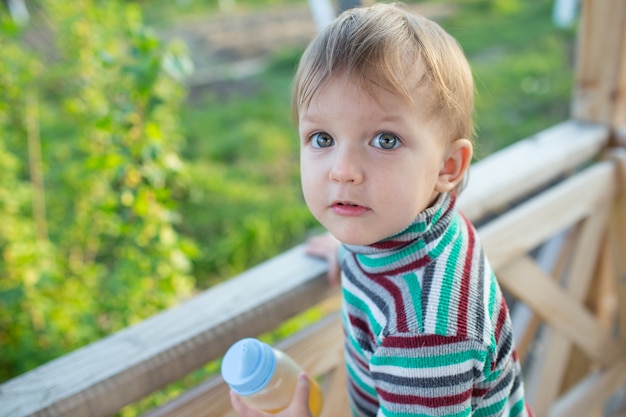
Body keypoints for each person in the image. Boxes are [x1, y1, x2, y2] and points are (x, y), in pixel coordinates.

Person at [229, 2, 533, 416]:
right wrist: (350, 253)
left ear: (447, 166)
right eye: (321, 138)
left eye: (385, 140)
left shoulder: (425, 334)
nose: (343, 171)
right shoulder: (406, 229)